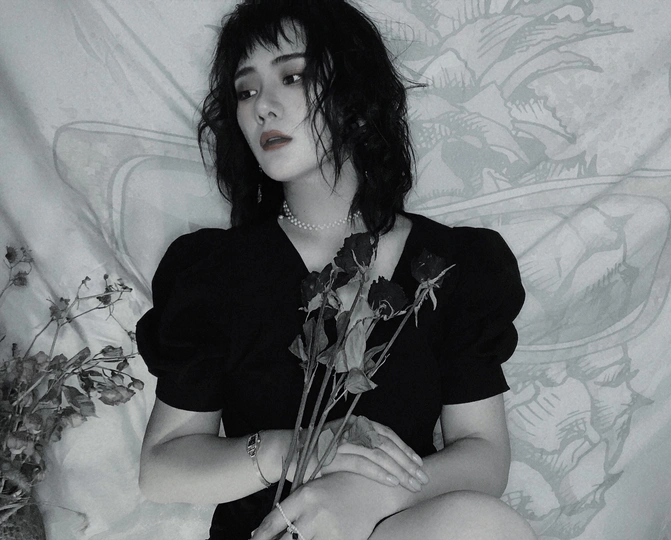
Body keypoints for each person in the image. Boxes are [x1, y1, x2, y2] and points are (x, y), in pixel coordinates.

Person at [136, 1, 536, 539]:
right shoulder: (214, 272)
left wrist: (372, 497)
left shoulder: (450, 265)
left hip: (400, 525)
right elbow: (160, 469)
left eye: (292, 77)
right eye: (246, 91)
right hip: (270, 533)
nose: (263, 108)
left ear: (358, 100)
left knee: (482, 526)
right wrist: (293, 450)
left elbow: (484, 455)